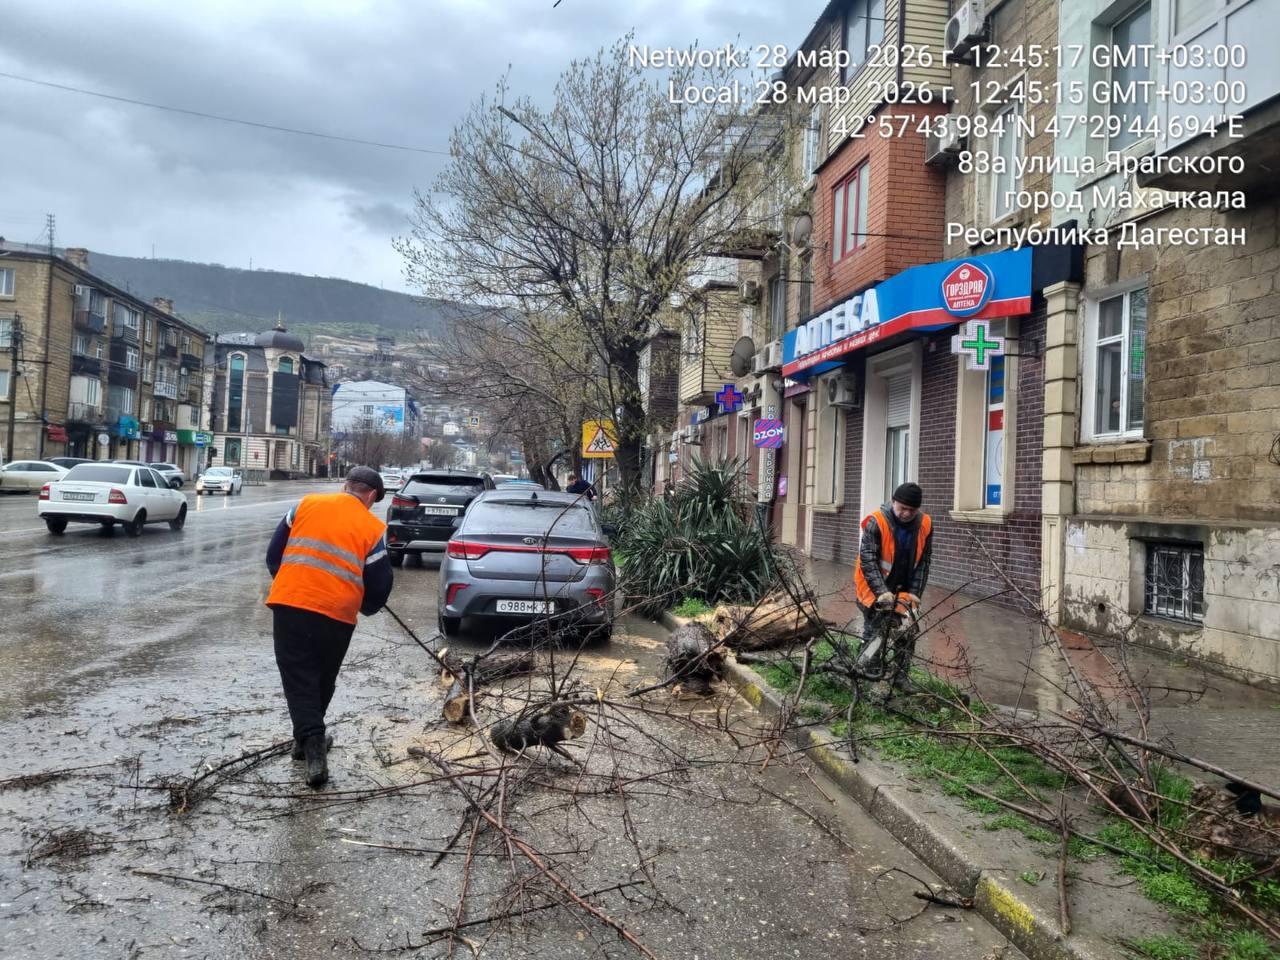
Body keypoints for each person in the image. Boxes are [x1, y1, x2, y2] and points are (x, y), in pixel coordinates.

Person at [265, 466, 393, 787]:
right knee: (323, 678)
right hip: (337, 615)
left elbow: (273, 554)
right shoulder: (371, 527)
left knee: (299, 679)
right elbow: (379, 585)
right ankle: (313, 749)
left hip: (290, 605)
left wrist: (292, 582)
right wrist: (367, 605)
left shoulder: (304, 505)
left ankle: (308, 743)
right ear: (371, 495)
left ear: (345, 486)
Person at [853, 482, 933, 677]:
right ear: (893, 501)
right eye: (903, 508)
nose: (906, 513)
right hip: (872, 587)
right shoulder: (877, 522)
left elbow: (923, 563)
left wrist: (915, 593)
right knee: (876, 633)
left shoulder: (925, 524)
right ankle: (868, 672)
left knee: (906, 632)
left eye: (912, 510)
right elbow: (868, 560)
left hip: (903, 589)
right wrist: (882, 593)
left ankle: (900, 678)